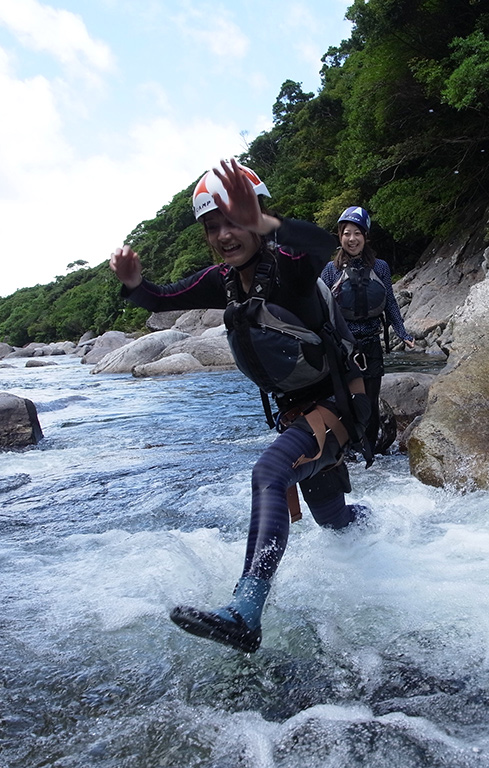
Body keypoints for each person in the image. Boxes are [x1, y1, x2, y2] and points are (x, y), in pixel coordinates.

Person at [109, 159, 371, 653]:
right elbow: (160, 298)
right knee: (333, 519)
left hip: (337, 405)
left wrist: (265, 223)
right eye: (214, 226)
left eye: (235, 221)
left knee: (269, 472)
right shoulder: (224, 280)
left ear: (256, 217)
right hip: (299, 415)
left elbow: (320, 244)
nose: (225, 235)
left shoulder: (289, 269)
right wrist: (133, 282)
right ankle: (383, 524)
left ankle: (247, 610)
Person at [321, 207, 414, 453]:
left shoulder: (380, 267)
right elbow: (319, 308)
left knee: (370, 403)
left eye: (357, 234)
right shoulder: (331, 270)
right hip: (342, 347)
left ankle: (369, 451)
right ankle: (347, 450)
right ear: (340, 237)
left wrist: (402, 333)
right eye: (346, 234)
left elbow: (390, 302)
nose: (352, 239)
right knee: (344, 401)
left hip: (371, 344)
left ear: (365, 236)